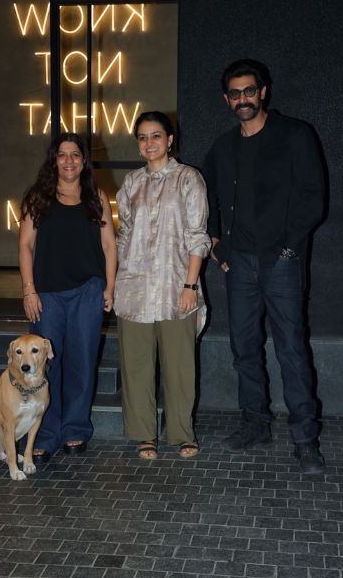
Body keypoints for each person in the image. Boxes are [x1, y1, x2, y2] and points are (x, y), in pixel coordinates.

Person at [203, 58, 327, 473]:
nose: (243, 99)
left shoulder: (294, 135)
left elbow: (313, 198)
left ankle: (305, 439)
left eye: (249, 91)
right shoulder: (223, 147)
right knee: (244, 348)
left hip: (281, 263)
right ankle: (255, 423)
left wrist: (289, 249)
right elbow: (206, 197)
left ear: (263, 92)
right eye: (235, 93)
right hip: (238, 264)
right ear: (226, 99)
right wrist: (217, 246)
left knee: (291, 349)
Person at [114, 111, 211, 460]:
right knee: (137, 366)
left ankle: (183, 432)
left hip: (175, 287)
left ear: (170, 140)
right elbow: (123, 237)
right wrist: (114, 284)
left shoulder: (189, 178)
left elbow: (198, 236)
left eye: (156, 135)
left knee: (179, 366)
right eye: (142, 137)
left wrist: (190, 286)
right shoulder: (131, 183)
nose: (149, 143)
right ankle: (144, 434)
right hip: (134, 289)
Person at [18, 132, 117, 463]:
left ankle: (75, 427)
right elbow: (25, 246)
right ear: (54, 160)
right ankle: (46, 433)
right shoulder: (39, 197)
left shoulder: (96, 197)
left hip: (87, 291)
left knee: (82, 361)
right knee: (45, 365)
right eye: (62, 155)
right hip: (47, 295)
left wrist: (110, 286)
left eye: (75, 154)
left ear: (84, 161)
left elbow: (109, 245)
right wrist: (29, 289)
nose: (69, 161)